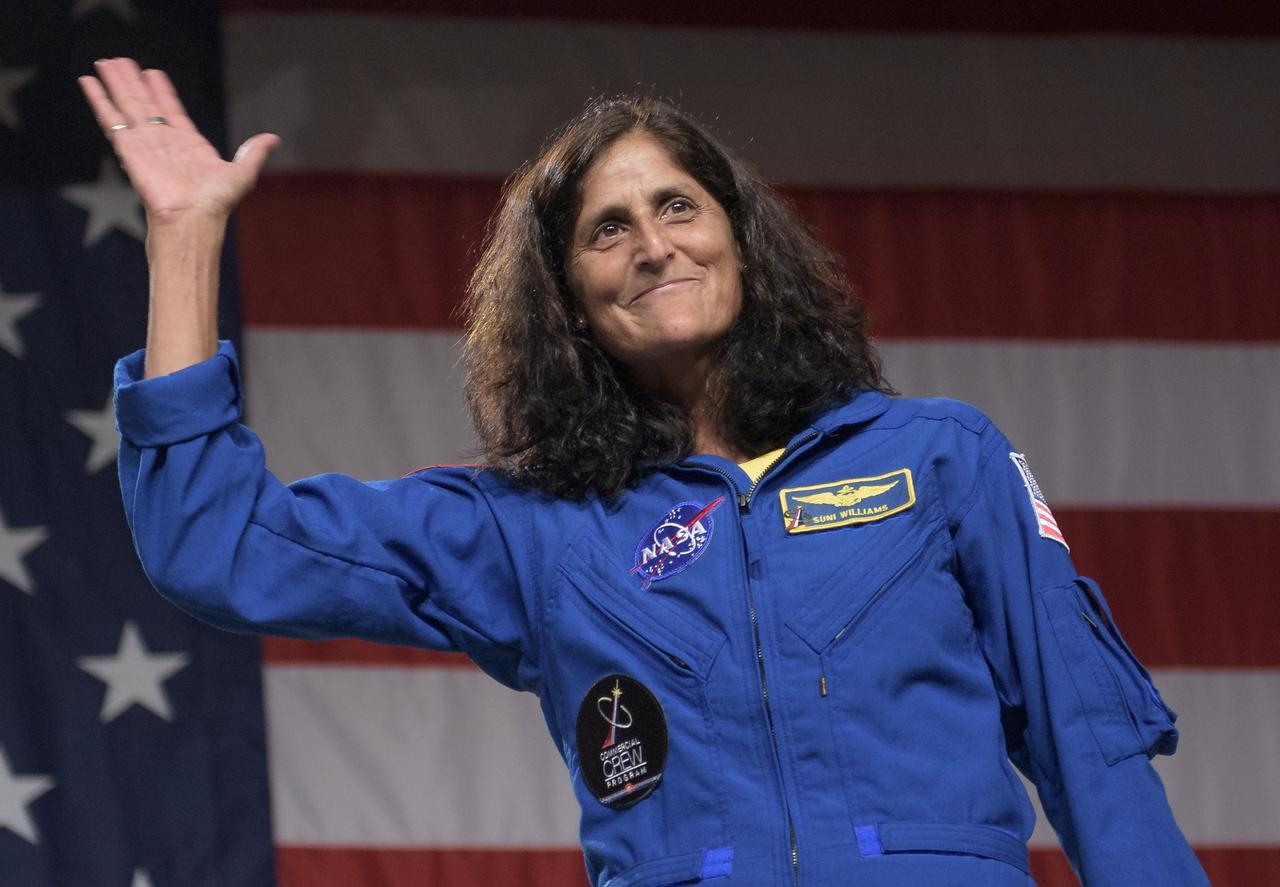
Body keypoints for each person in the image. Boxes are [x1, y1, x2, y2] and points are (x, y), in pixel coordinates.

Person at [81, 58, 1207, 887]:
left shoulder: (938, 455)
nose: (652, 243)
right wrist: (185, 237)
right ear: (568, 299)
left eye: (677, 205)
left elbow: (1086, 742)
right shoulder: (537, 528)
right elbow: (215, 546)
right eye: (607, 230)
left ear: (740, 242)